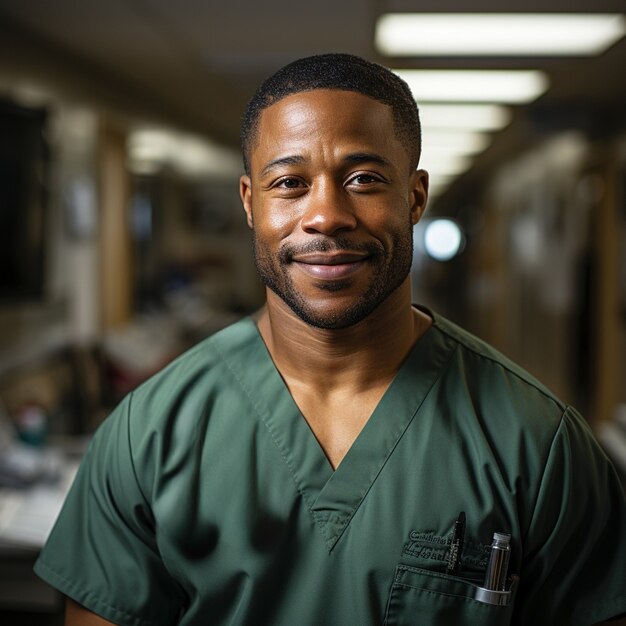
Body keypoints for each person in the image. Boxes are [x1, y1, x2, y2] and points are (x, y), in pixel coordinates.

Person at [35, 53, 625, 626]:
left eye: (364, 179)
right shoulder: (149, 435)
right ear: (250, 203)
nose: (326, 215)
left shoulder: (539, 444)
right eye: (290, 182)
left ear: (415, 197)